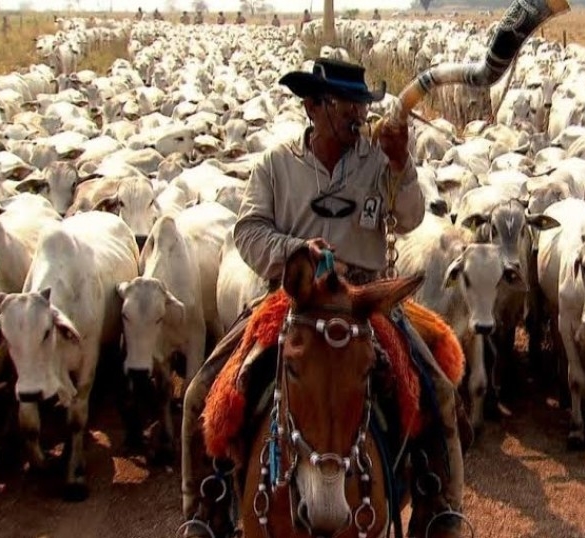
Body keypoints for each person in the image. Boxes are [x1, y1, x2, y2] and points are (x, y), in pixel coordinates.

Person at [178, 58, 468, 538]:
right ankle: (203, 515)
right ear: (314, 106)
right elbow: (248, 231)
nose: (359, 114)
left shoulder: (378, 159)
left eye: (362, 104)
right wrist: (294, 251)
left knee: (437, 390)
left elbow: (412, 218)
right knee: (200, 396)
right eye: (347, 104)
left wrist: (403, 164)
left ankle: (441, 510)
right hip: (292, 302)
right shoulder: (275, 165)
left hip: (366, 302)